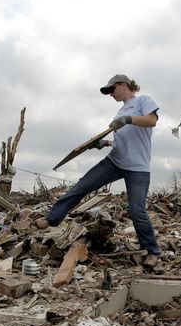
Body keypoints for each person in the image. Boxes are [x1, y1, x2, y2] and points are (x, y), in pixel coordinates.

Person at [37, 74, 162, 270]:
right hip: (115, 161)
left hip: (138, 167)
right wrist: (104, 143)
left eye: (112, 90)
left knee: (137, 210)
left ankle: (152, 251)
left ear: (123, 85)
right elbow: (124, 140)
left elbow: (151, 121)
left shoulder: (143, 101)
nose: (110, 94)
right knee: (82, 186)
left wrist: (128, 119)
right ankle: (52, 218)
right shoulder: (120, 111)